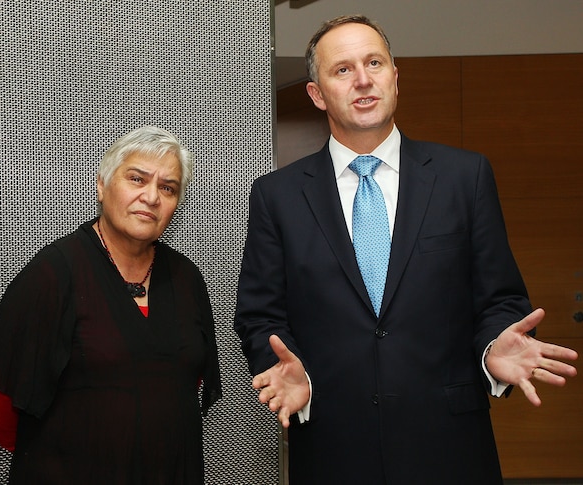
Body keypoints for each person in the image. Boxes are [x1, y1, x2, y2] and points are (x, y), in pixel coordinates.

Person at [234, 15, 578, 484]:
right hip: (333, 449)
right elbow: (260, 315)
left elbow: (500, 299)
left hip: (451, 447)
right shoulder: (277, 196)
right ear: (316, 94)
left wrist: (493, 346)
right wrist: (290, 372)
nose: (362, 79)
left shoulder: (464, 177)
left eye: (374, 63)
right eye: (342, 69)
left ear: (395, 78)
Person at [0, 125, 222, 484]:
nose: (151, 197)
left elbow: (185, 379)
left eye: (168, 188)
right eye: (137, 179)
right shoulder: (54, 272)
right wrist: (55, 454)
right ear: (102, 185)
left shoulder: (186, 277)